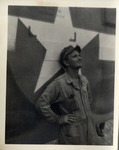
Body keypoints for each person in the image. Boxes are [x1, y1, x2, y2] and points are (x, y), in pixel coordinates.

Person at [36, 45, 101, 145]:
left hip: (90, 133)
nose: (79, 57)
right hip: (72, 137)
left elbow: (89, 99)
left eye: (79, 55)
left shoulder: (84, 80)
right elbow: (41, 104)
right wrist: (58, 119)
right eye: (75, 56)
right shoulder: (59, 83)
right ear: (66, 62)